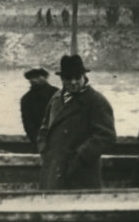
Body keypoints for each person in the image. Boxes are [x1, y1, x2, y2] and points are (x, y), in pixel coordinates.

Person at [37, 55, 116, 190]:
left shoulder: (96, 101)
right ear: (61, 79)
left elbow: (107, 136)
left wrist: (81, 156)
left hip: (81, 174)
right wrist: (44, 149)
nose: (73, 82)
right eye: (68, 78)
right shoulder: (56, 99)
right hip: (53, 170)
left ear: (84, 76)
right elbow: (44, 128)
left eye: (77, 78)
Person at [19, 67, 58, 148]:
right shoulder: (26, 99)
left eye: (37, 76)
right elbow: (28, 125)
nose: (34, 80)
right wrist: (39, 142)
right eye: (31, 77)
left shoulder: (57, 94)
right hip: (38, 142)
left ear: (45, 77)